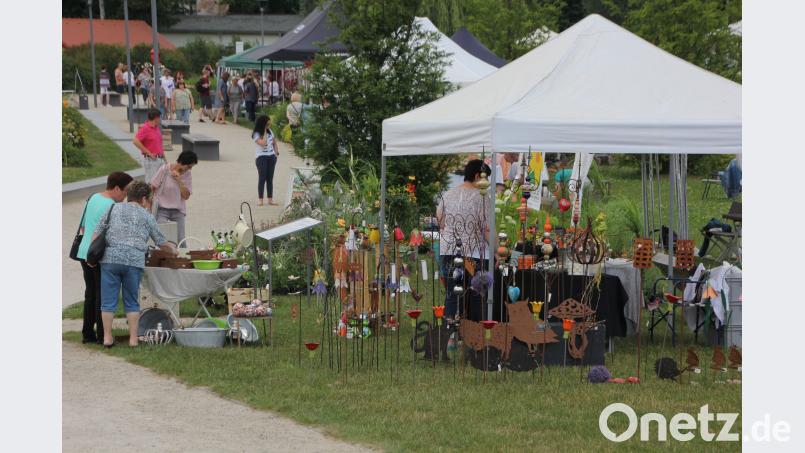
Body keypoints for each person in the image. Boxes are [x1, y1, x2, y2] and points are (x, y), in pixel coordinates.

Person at [98, 181, 177, 347]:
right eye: (149, 200)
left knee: (108, 301)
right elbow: (161, 241)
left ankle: (107, 337)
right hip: (134, 261)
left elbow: (97, 233)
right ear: (143, 199)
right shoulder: (146, 216)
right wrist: (174, 251)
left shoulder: (113, 208)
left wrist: (92, 257)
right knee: (132, 301)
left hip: (110, 259)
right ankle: (133, 339)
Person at [75, 172, 133, 344]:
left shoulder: (93, 198)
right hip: (99, 255)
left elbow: (84, 227)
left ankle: (87, 334)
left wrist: (89, 248)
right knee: (103, 295)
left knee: (91, 294)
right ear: (116, 188)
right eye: (125, 192)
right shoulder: (111, 206)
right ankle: (102, 335)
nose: (125, 197)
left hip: (85, 251)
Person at [437, 159, 490, 323]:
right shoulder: (481, 197)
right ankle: (474, 331)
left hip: (449, 251)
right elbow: (486, 228)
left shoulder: (447, 194)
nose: (486, 183)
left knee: (453, 293)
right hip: (474, 254)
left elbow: (440, 221)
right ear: (477, 176)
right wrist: (496, 250)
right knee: (476, 294)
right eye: (485, 178)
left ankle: (451, 331)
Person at [151, 151, 197, 244]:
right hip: (161, 209)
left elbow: (186, 196)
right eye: (189, 166)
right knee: (162, 237)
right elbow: (153, 187)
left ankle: (182, 257)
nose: (190, 169)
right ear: (181, 162)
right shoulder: (164, 169)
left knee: (181, 240)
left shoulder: (187, 175)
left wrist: (179, 181)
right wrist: (149, 206)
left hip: (178, 211)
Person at [252, 115, 280, 206]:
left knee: (270, 179)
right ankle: (260, 200)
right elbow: (263, 144)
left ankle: (270, 200)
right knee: (262, 178)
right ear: (263, 123)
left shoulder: (270, 131)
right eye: (268, 123)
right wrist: (264, 130)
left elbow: (274, 143)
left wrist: (276, 154)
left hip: (271, 157)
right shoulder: (256, 134)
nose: (269, 124)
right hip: (261, 157)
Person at [133, 108, 165, 184]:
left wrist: (165, 160)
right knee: (151, 183)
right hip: (152, 161)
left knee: (161, 183)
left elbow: (159, 145)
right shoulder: (145, 128)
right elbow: (135, 141)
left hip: (160, 159)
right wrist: (148, 153)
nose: (160, 119)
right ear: (156, 118)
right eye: (160, 117)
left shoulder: (156, 128)